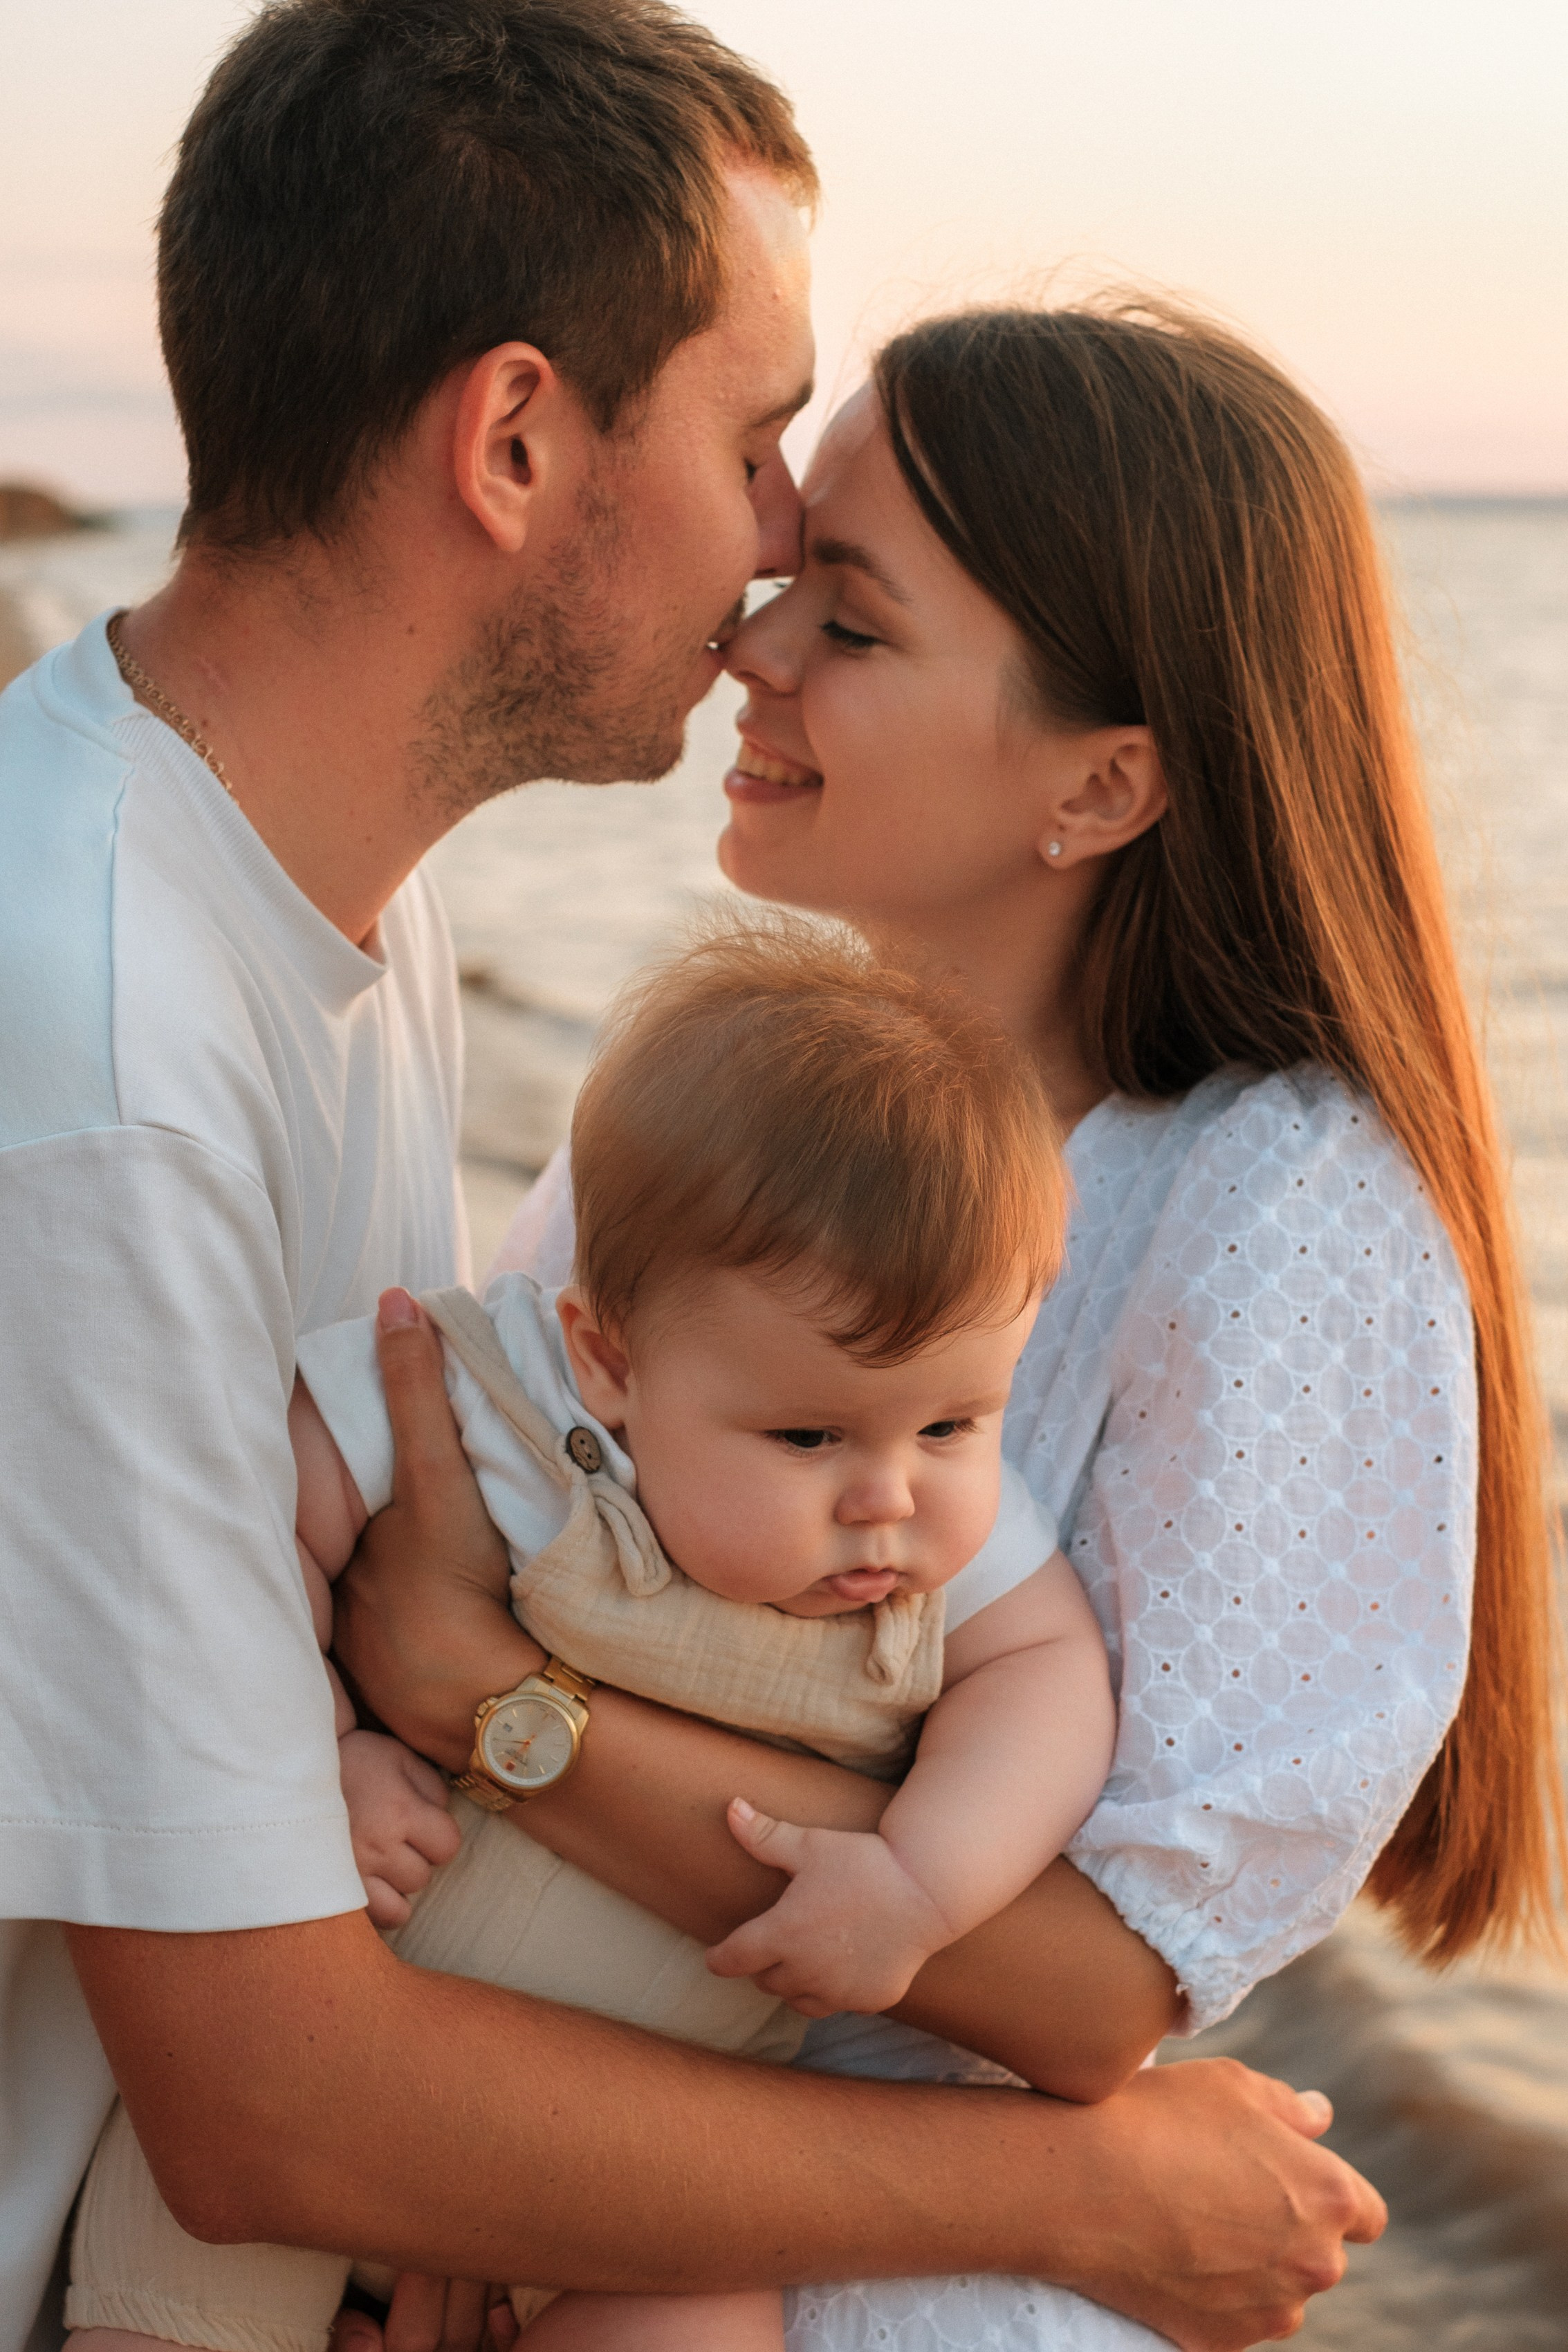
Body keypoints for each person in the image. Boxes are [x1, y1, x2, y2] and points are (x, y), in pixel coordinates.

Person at [0, 5, 1379, 2350]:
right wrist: (1073, 2197)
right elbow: (269, 2111)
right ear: (518, 440)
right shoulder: (93, 1058)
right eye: (756, 442)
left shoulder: (336, 904)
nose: (770, 560)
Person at [340, 300, 1566, 2350]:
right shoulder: (763, 1111)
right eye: (783, 581)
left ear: (1095, 789)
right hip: (567, 2164)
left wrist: (491, 1707)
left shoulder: (1280, 1200)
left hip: (874, 2281)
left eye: (853, 619)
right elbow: (491, 1467)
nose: (746, 648)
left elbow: (1097, 1985)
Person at [68, 921, 1123, 2350]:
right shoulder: (497, 1409)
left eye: (957, 1421)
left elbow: (1050, 1676)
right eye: (806, 1434)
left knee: (704, 2315)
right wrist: (317, 1743)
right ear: (608, 1355)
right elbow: (234, 1539)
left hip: (607, 2178)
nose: (890, 1497)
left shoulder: (949, 1535)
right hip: (331, 2074)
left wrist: (920, 1886)